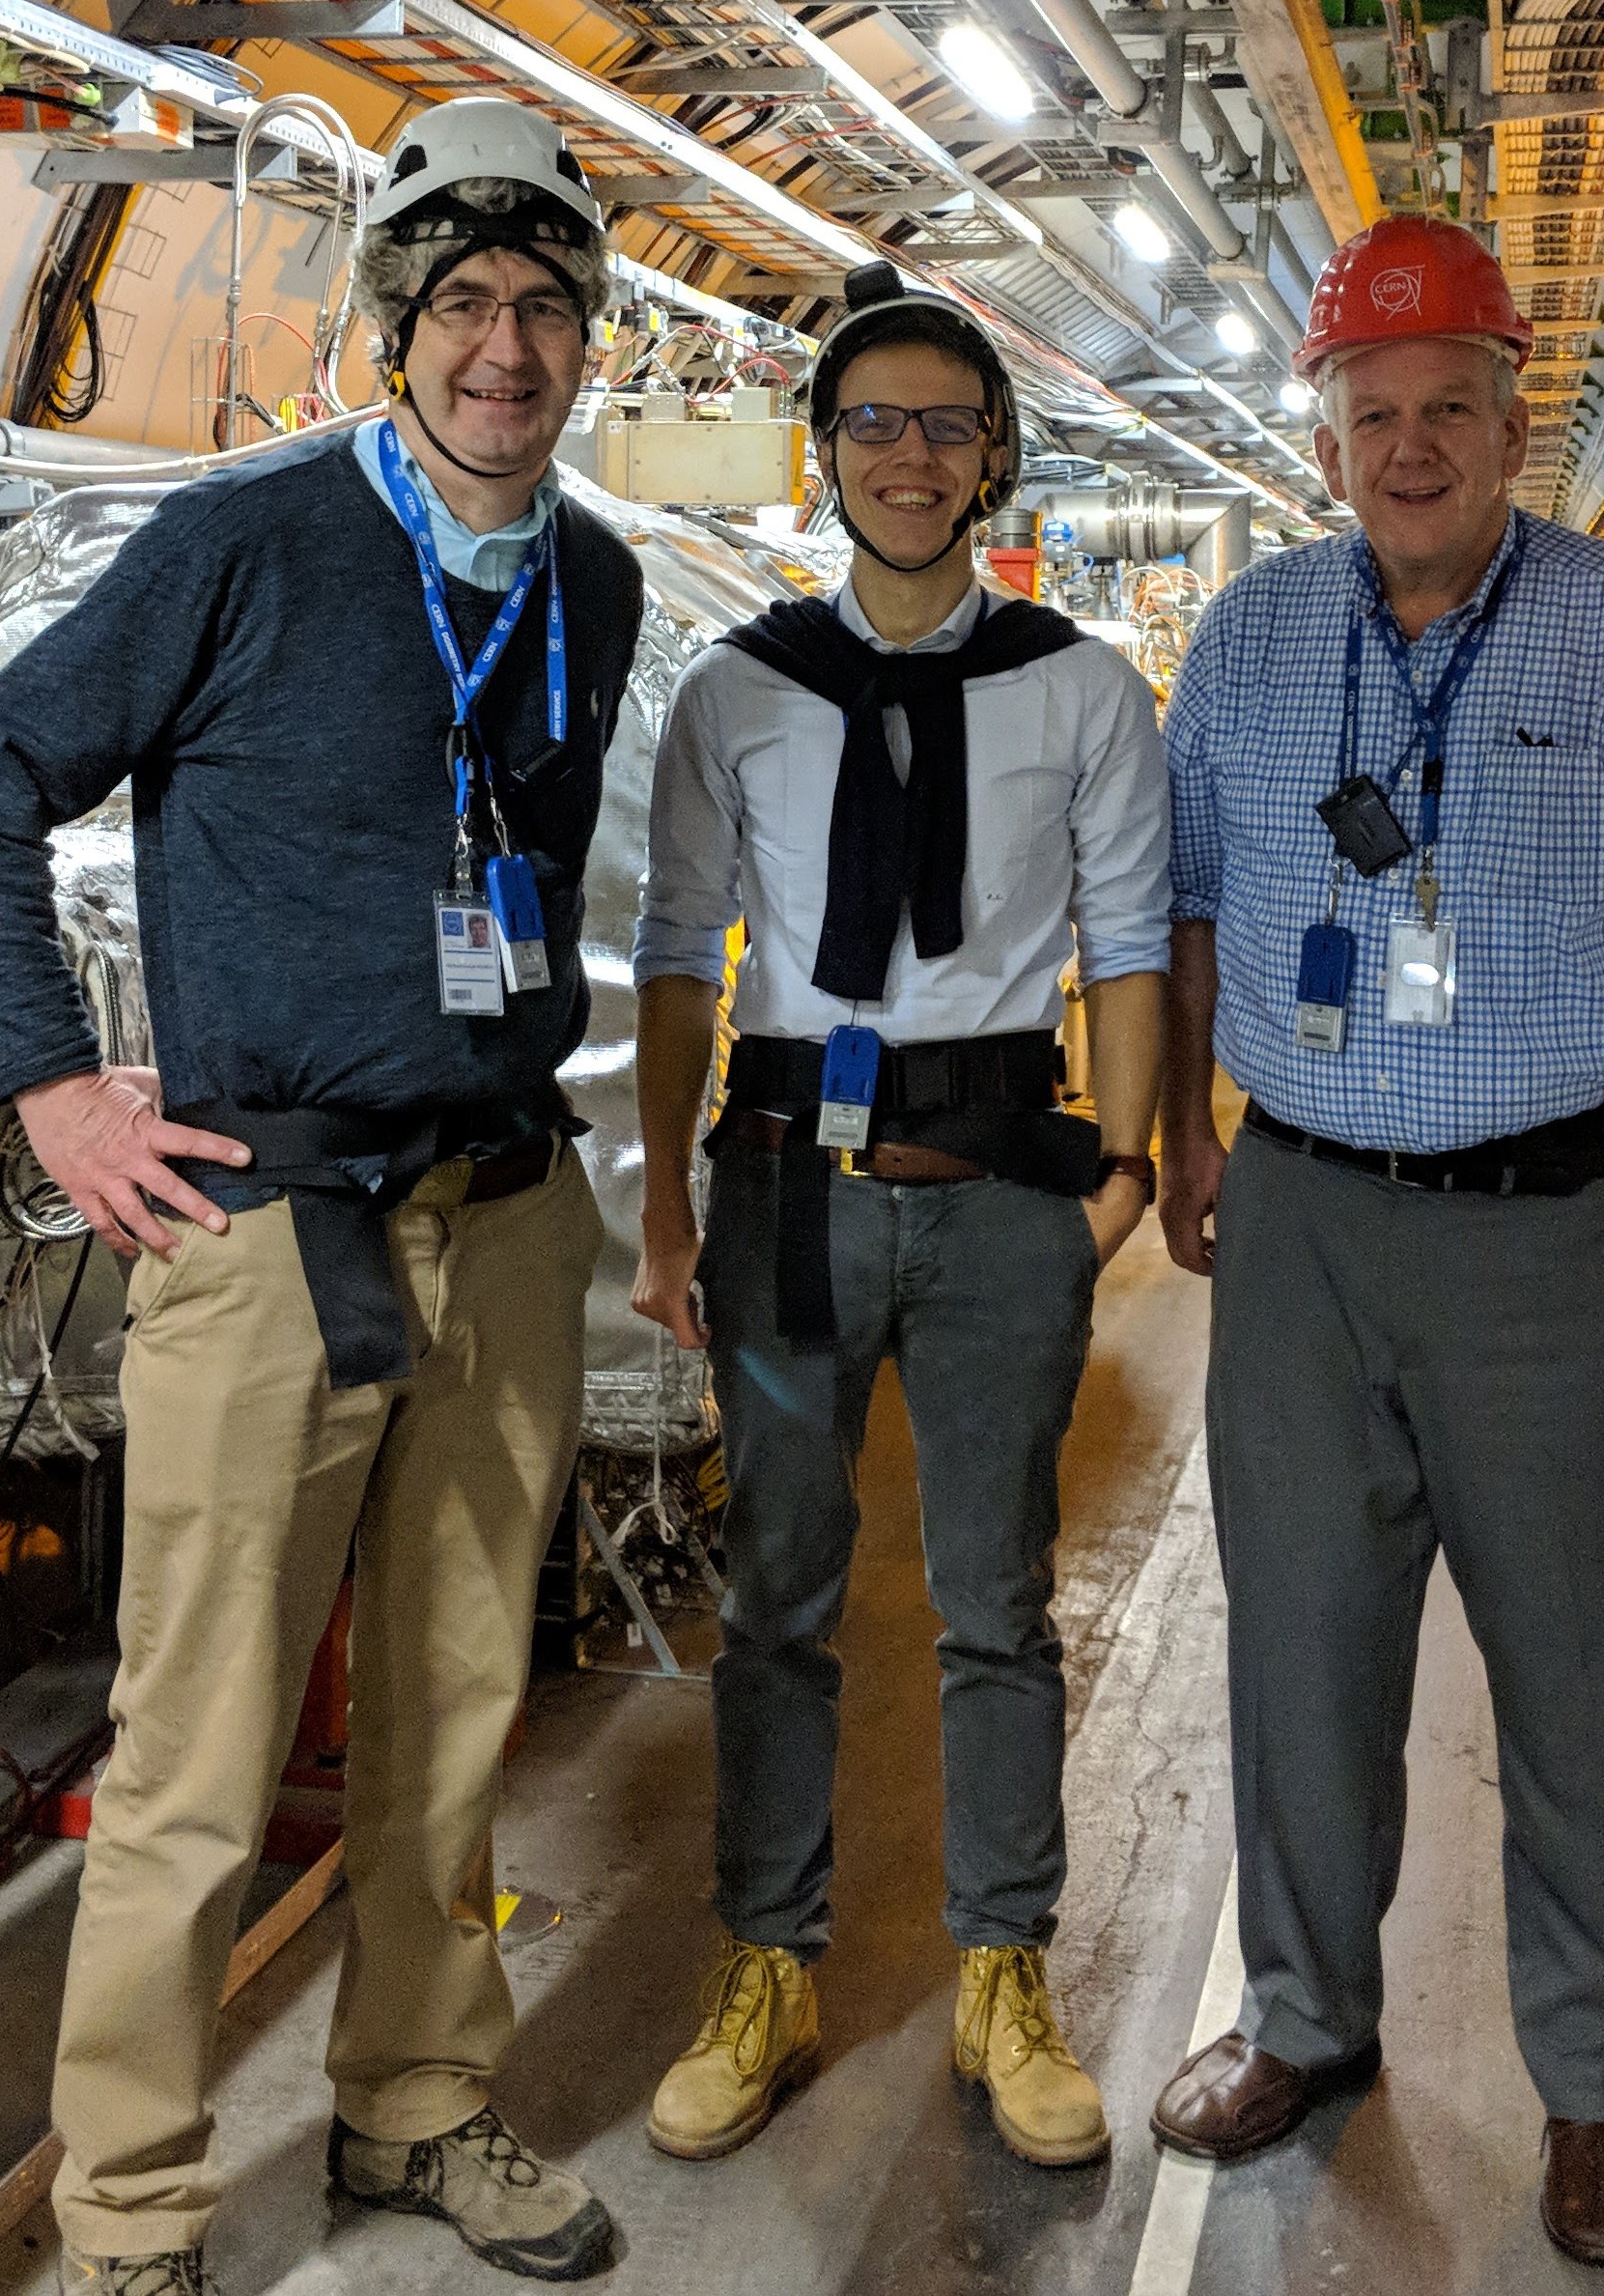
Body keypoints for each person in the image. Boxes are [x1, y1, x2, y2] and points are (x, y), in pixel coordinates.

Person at [0, 98, 646, 2291]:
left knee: (447, 1724)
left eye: (539, 307)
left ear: (585, 341)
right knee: (200, 1751)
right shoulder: (242, 544)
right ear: (391, 333)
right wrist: (51, 1091)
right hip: (265, 1232)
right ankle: (132, 2208)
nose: (502, 348)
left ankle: (414, 2115)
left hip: (507, 1220)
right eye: (462, 308)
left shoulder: (592, 582)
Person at [1147, 215, 1604, 2266]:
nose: (1412, 443)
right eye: (1375, 412)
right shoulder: (1255, 642)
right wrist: (1185, 1136)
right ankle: (1305, 2025)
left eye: (1452, 406)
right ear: (1326, 437)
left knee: (1586, 1688)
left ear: (1514, 419)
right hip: (1307, 1232)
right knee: (1304, 1663)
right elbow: (1182, 908)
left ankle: (1601, 2092)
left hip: (1563, 1241)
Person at [626, 260, 1171, 2171]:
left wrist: (1124, 1168)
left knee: (996, 1603)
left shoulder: (1081, 691)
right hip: (783, 1191)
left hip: (1003, 1191)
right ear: (825, 456)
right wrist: (669, 1208)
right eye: (876, 422)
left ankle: (1002, 1973)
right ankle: (764, 1963)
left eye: (947, 423)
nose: (912, 456)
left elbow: (1124, 943)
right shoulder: (742, 692)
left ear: (996, 458)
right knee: (774, 1604)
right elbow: (679, 952)